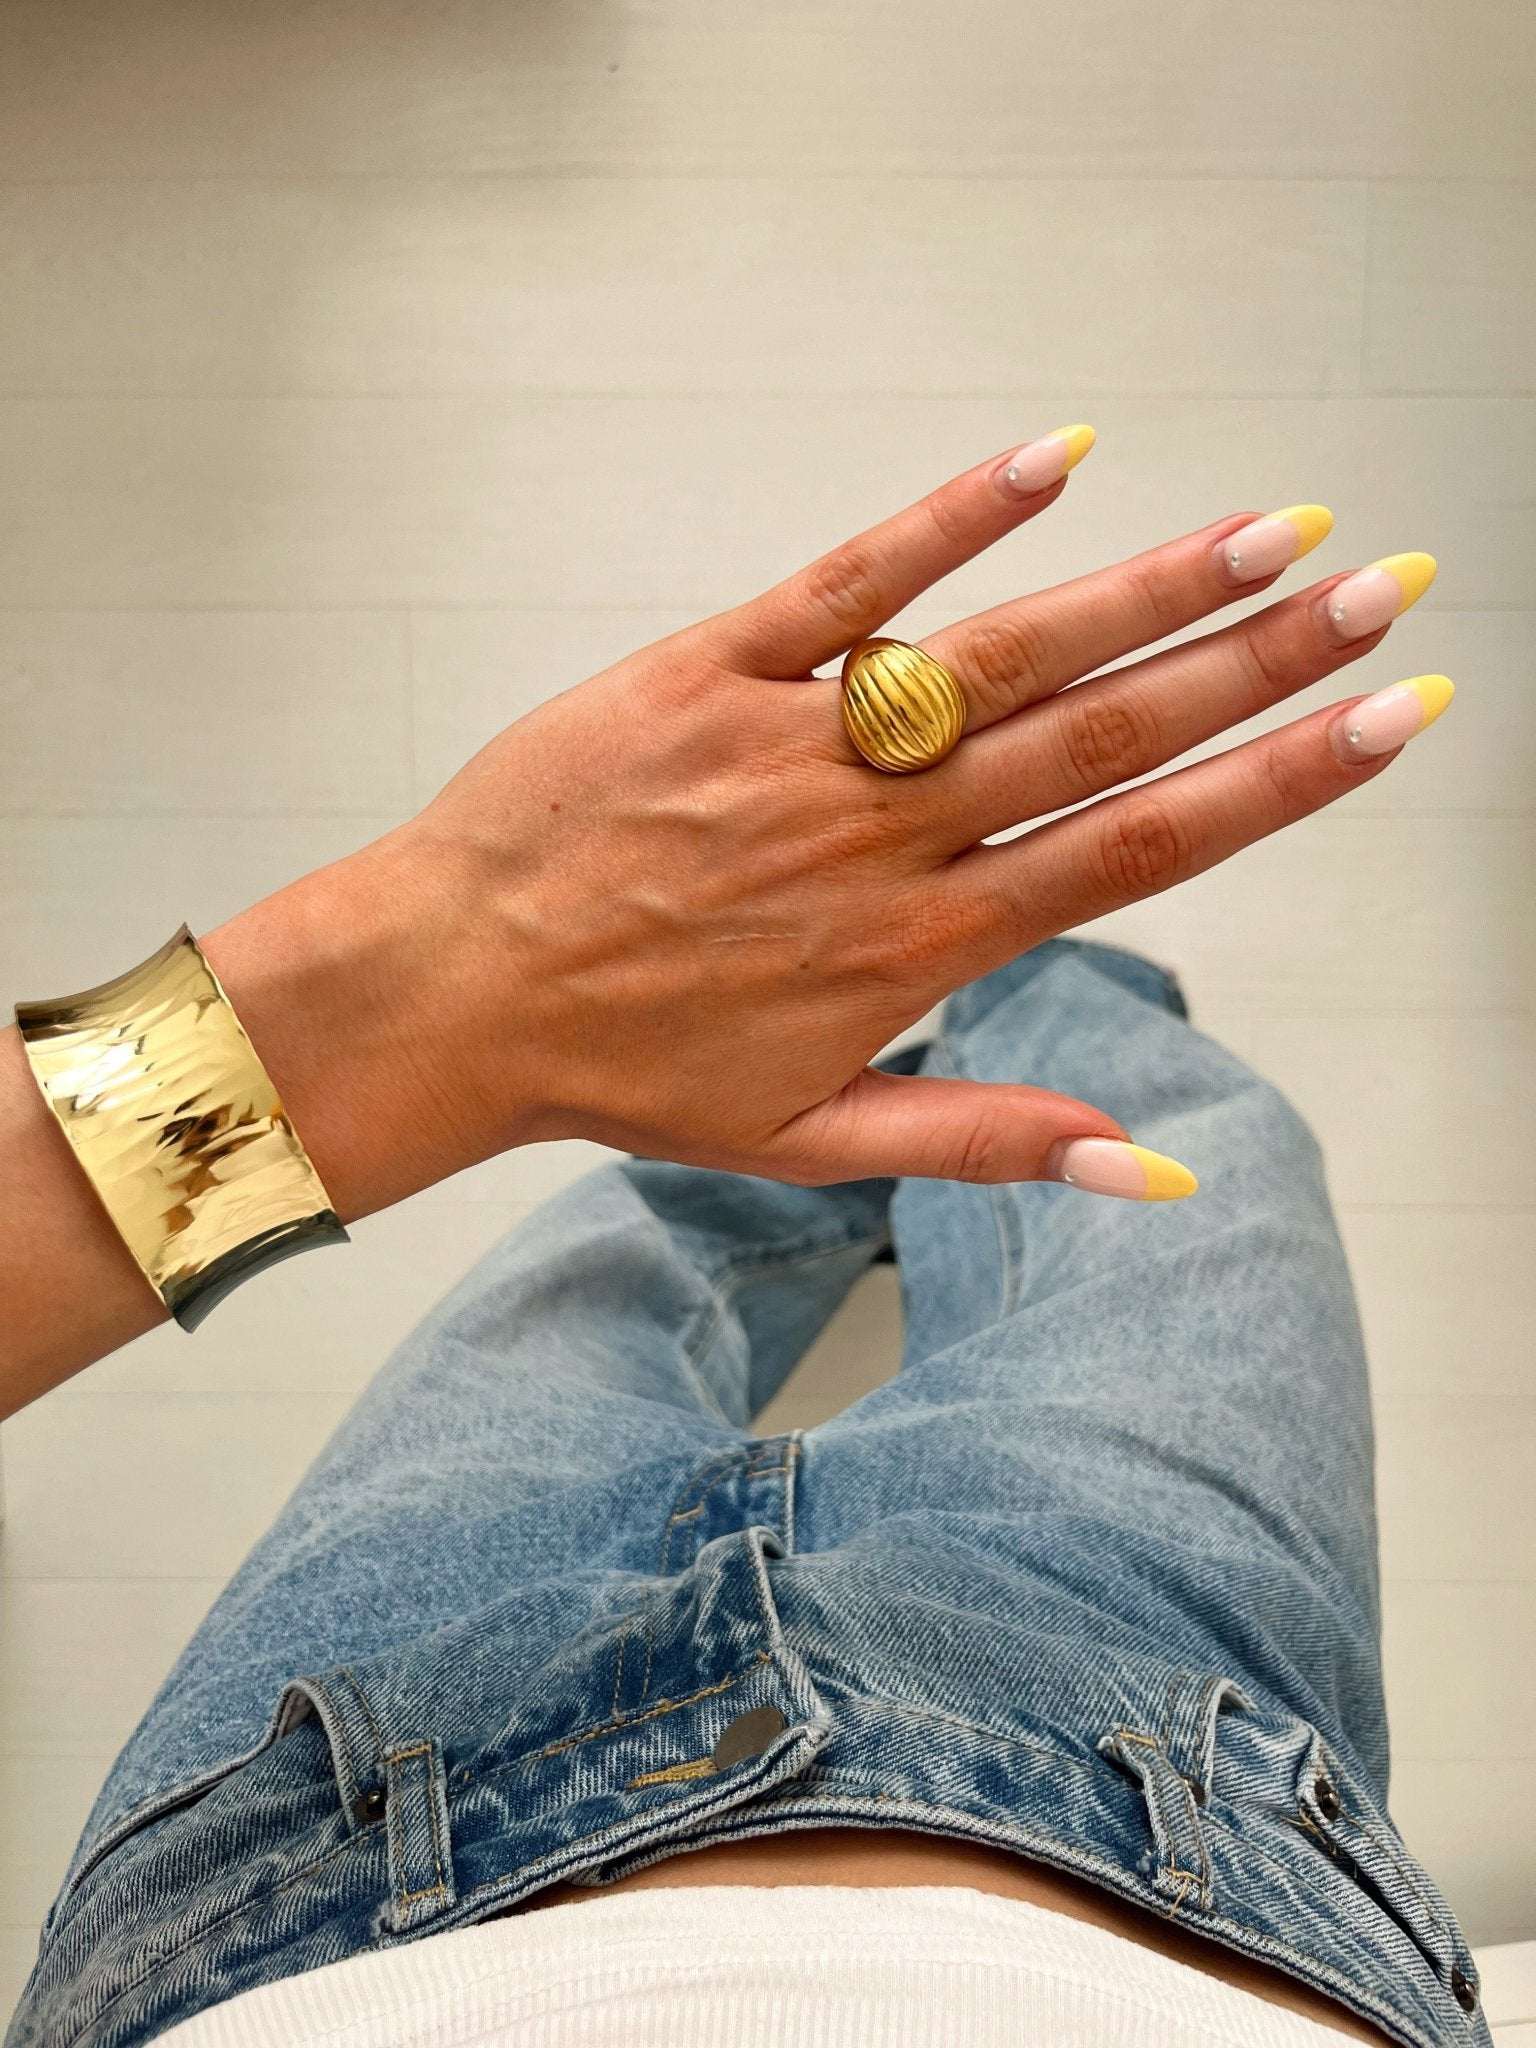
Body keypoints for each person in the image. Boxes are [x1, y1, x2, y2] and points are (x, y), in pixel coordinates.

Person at [1, 430, 1480, 2047]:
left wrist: (446, 981)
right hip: (1160, 1799)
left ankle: (833, 1067)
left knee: (617, 1237)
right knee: (1188, 1134)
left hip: (306, 1828)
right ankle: (1016, 990)